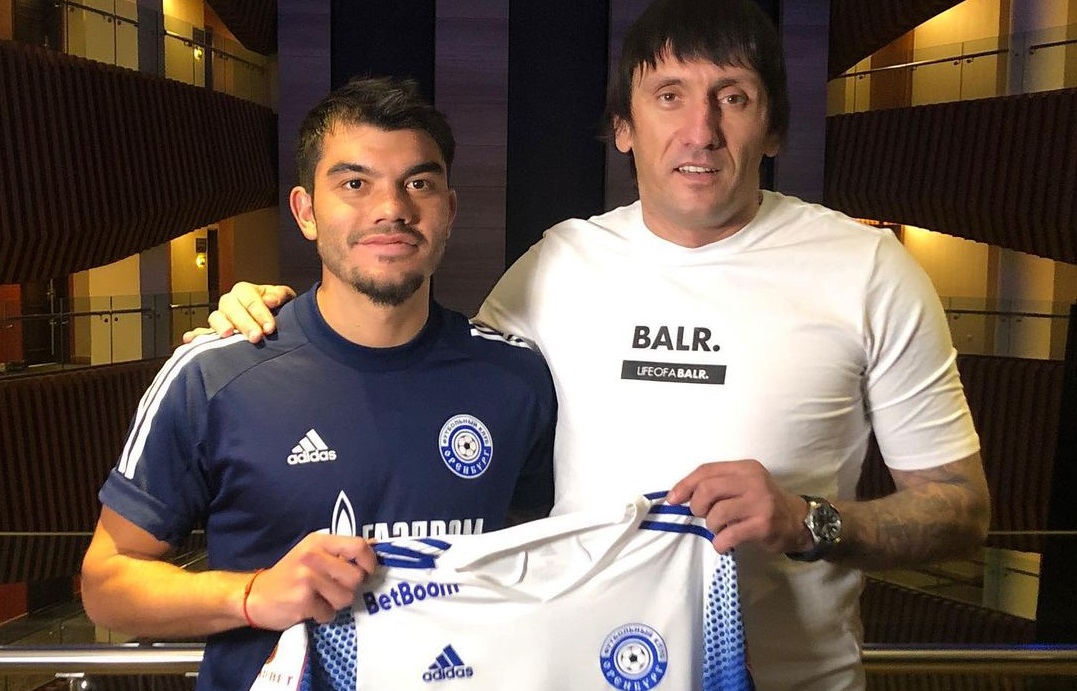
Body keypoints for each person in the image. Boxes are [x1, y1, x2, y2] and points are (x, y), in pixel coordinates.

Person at [195, 0, 991, 688]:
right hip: (577, 672)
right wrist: (286, 321)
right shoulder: (558, 263)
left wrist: (808, 521)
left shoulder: (867, 268)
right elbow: (427, 368)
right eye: (668, 96)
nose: (700, 131)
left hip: (794, 677)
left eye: (733, 97)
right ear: (622, 126)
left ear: (773, 126)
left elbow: (958, 510)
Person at [81, 76, 556, 691]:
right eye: (355, 184)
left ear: (449, 210)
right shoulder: (213, 375)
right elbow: (106, 584)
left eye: (419, 183)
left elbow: (550, 561)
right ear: (306, 211)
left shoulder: (516, 378)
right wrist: (253, 595)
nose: (392, 208)